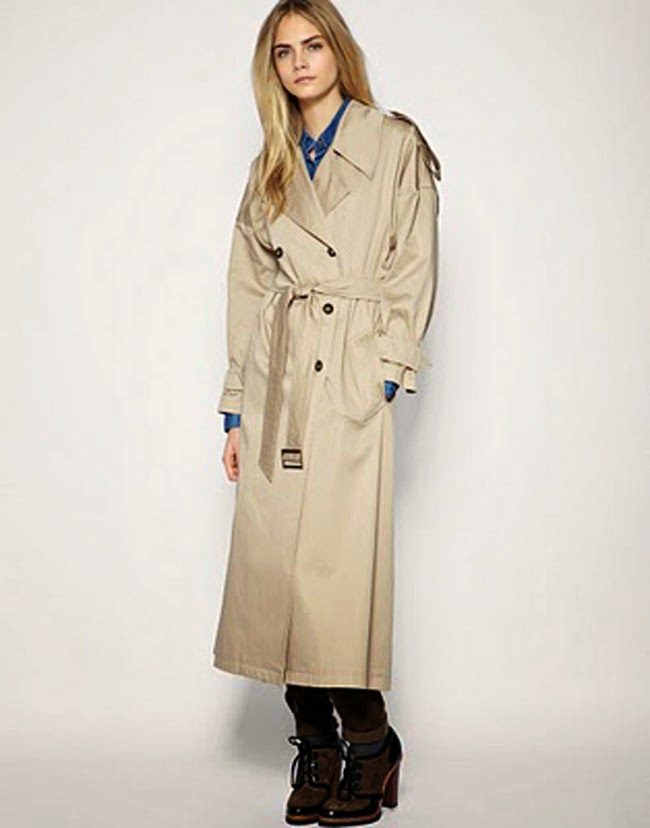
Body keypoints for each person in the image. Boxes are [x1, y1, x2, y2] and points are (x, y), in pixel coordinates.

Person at [211, 1, 441, 824]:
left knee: (335, 576)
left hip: (346, 374)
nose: (301, 62)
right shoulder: (270, 162)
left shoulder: (393, 143)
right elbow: (248, 286)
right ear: (271, 68)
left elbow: (414, 261)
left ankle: (370, 745)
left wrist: (383, 375)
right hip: (278, 381)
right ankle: (314, 744)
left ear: (339, 51)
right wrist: (237, 409)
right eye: (284, 52)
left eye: (313, 45)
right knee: (277, 575)